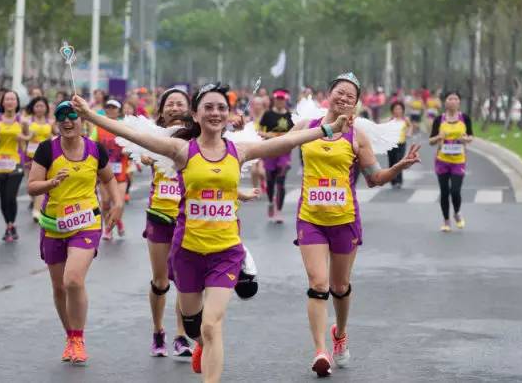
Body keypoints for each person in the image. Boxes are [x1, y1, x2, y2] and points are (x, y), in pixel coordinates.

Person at [71, 83, 352, 382]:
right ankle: (200, 346)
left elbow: (287, 142)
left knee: (210, 324)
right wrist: (90, 115)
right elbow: (133, 134)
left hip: (226, 253)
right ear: (196, 114)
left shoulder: (239, 151)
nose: (215, 113)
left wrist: (328, 129)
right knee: (194, 326)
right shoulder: (181, 150)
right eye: (208, 107)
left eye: (221, 108)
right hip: (188, 252)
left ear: (228, 114)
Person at [291, 73, 420, 377]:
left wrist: (398, 167)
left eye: (351, 96)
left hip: (344, 220)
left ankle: (340, 333)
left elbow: (374, 178)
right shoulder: (307, 128)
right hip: (310, 218)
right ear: (329, 94)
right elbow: (276, 147)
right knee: (318, 283)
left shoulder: (357, 135)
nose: (345, 98)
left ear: (356, 103)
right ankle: (320, 350)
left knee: (339, 286)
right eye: (340, 93)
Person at [27, 100, 123, 365]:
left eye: (72, 116)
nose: (67, 121)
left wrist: (117, 202)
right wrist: (51, 182)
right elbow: (32, 186)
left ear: (84, 121)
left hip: (86, 222)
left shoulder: (95, 149)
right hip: (53, 225)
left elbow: (109, 179)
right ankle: (70, 336)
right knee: (59, 287)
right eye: (61, 117)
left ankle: (79, 338)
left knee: (72, 280)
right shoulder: (47, 150)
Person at [140, 88, 194, 358]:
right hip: (159, 216)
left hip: (189, 217)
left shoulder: (198, 138)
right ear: (161, 112)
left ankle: (181, 336)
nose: (174, 107)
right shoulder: (153, 138)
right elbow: (141, 152)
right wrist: (145, 156)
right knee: (161, 281)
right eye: (169, 104)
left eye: (179, 103)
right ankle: (158, 330)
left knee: (185, 281)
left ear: (189, 109)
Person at [428, 91, 473, 232]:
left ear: (459, 102)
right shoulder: (439, 119)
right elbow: (430, 141)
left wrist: (466, 139)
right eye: (450, 98)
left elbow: (471, 137)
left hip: (459, 160)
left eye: (455, 99)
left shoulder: (464, 118)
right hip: (442, 160)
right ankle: (446, 221)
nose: (453, 101)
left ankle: (457, 212)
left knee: (455, 191)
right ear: (445, 102)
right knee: (444, 191)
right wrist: (438, 137)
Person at [0, 90, 27, 242]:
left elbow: (26, 143)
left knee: (11, 196)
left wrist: (23, 141)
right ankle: (8, 225)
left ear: (17, 103)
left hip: (16, 162)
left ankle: (11, 225)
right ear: (3, 102)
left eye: (13, 99)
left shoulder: (23, 121)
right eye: (7, 99)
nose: (10, 102)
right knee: (3, 198)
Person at [89, 99, 128, 240]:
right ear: (105, 110)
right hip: (105, 172)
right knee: (105, 203)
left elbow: (133, 145)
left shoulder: (124, 126)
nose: (111, 110)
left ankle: (112, 225)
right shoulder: (98, 128)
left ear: (119, 110)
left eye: (114, 107)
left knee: (119, 202)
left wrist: (127, 151)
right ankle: (111, 227)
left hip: (121, 171)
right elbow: (91, 145)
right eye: (108, 107)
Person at [259, 89, 294, 223]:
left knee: (281, 181)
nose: (280, 102)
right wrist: (270, 136)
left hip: (284, 153)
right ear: (274, 100)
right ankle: (270, 202)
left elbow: (294, 133)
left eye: (282, 99)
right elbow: (261, 132)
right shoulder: (268, 115)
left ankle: (278, 211)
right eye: (278, 99)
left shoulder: (290, 116)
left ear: (286, 100)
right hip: (269, 151)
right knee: (270, 181)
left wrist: (285, 138)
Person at [24, 97, 55, 221]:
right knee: (30, 185)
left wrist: (51, 137)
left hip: (45, 156)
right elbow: (23, 138)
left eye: (42, 106)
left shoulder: (51, 122)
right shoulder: (26, 121)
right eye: (37, 106)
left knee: (40, 183)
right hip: (30, 156)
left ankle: (37, 211)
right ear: (33, 108)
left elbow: (55, 137)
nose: (40, 109)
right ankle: (35, 201)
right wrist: (28, 138)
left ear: (46, 108)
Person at [387, 102, 413, 189]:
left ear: (402, 110)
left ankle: (399, 181)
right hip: (391, 144)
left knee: (399, 161)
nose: (398, 111)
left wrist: (409, 133)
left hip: (401, 144)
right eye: (396, 109)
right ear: (392, 110)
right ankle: (393, 180)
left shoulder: (405, 119)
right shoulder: (390, 120)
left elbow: (410, 126)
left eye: (399, 109)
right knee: (392, 162)